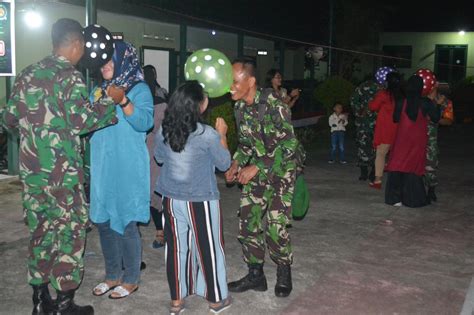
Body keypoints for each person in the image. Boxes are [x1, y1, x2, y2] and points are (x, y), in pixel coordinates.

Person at [1, 18, 120, 314]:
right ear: (76, 44)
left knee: (40, 233)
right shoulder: (69, 77)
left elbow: (8, 120)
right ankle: (64, 304)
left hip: (32, 176)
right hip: (62, 177)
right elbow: (82, 122)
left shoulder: (27, 74)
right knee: (69, 233)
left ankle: (41, 301)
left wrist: (35, 134)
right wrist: (110, 102)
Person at [154, 81, 232, 314]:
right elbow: (225, 163)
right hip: (201, 201)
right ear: (198, 105)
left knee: (176, 249)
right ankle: (216, 300)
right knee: (209, 247)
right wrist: (222, 136)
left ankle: (177, 301)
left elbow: (159, 158)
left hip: (170, 199)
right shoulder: (207, 134)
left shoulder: (164, 129)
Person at [225, 59, 299, 298]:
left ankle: (283, 270)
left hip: (280, 171)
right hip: (258, 169)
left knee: (276, 226)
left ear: (251, 81)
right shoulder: (239, 108)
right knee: (249, 220)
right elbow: (247, 144)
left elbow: (289, 144)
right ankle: (256, 275)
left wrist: (256, 167)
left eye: (235, 81)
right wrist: (236, 163)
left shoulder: (274, 104)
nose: (230, 87)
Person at [90, 41, 153, 299]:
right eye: (102, 61)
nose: (104, 65)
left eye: (110, 60)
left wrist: (124, 100)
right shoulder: (96, 91)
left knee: (127, 223)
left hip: (127, 166)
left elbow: (145, 122)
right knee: (104, 222)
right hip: (103, 165)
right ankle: (112, 275)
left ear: (123, 60)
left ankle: (130, 278)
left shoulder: (139, 89)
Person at [384, 75, 440, 207]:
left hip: (402, 139)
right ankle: (412, 200)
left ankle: (394, 199)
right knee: (413, 169)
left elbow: (396, 119)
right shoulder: (425, 102)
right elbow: (436, 118)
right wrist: (436, 103)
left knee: (397, 165)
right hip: (417, 140)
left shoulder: (400, 101)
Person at [143, 64, 168, 249]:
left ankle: (161, 231)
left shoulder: (155, 101)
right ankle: (161, 231)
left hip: (152, 153)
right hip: (149, 153)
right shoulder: (161, 100)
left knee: (154, 191)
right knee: (152, 191)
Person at [368, 71, 403, 189]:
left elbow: (372, 107)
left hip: (385, 129)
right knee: (395, 155)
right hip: (399, 129)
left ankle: (377, 180)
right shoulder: (402, 96)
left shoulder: (383, 94)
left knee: (381, 154)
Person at [425, 82, 454, 202]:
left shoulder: (445, 102)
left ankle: (431, 190)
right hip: (414, 136)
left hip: (430, 138)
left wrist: (435, 119)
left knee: (430, 165)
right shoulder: (420, 98)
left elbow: (449, 121)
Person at [350, 78, 380, 181]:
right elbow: (353, 99)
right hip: (365, 122)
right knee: (366, 146)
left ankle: (370, 172)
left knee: (372, 147)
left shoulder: (380, 88)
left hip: (375, 122)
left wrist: (359, 111)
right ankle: (366, 171)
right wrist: (359, 111)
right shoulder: (365, 87)